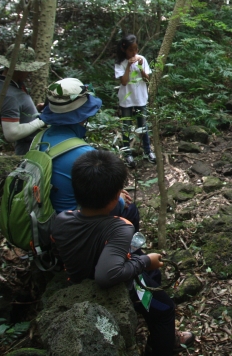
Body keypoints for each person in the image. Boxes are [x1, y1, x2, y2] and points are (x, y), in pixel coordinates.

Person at [51, 150, 193, 355]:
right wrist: (145, 261)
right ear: (113, 199)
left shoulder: (62, 219)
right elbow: (106, 275)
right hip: (117, 285)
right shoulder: (120, 228)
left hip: (78, 277)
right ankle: (162, 345)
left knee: (153, 276)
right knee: (165, 310)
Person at [37, 77, 140, 228]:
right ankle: (128, 251)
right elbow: (104, 205)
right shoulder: (84, 155)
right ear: (83, 114)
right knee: (130, 210)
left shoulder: (40, 138)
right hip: (74, 227)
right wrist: (121, 198)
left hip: (44, 220)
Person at [0, 44, 47, 155]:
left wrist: (35, 112)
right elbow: (11, 134)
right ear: (16, 69)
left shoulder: (9, 84)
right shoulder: (8, 94)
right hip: (29, 151)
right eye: (26, 69)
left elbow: (17, 112)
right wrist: (43, 119)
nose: (29, 72)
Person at [115, 34, 155, 168]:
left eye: (136, 49)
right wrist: (128, 66)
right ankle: (128, 154)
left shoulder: (142, 59)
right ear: (124, 49)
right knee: (126, 127)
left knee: (143, 126)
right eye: (131, 50)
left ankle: (148, 151)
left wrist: (140, 67)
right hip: (126, 99)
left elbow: (147, 80)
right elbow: (124, 82)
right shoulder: (120, 63)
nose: (134, 53)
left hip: (140, 98)